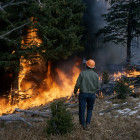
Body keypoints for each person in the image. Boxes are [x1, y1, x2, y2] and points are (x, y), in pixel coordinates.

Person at [74, 59, 100, 129]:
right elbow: (98, 86)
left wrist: (75, 92)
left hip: (83, 94)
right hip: (92, 95)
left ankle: (83, 125)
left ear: (86, 66)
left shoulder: (82, 73)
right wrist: (93, 90)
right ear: (93, 67)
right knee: (89, 109)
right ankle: (88, 124)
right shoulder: (96, 75)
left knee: (82, 110)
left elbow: (77, 85)